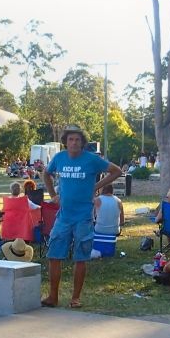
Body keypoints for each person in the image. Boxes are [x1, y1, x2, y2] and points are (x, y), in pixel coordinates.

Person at [41, 124, 121, 309]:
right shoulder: (59, 158)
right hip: (63, 217)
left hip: (83, 217)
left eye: (77, 139)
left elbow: (116, 171)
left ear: (82, 142)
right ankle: (53, 297)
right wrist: (53, 194)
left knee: (80, 257)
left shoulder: (92, 159)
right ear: (66, 142)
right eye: (71, 139)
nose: (74, 142)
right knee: (54, 255)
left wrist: (96, 186)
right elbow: (46, 173)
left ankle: (75, 298)